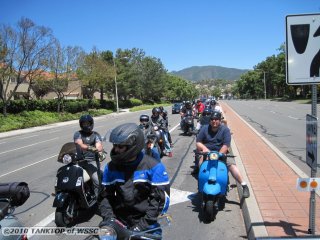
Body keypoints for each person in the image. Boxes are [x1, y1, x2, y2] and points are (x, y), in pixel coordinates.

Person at [99, 123, 170, 235]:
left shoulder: (154, 167)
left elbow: (160, 200)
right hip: (120, 221)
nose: (116, 150)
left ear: (133, 146)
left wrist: (141, 226)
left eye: (120, 146)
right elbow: (105, 196)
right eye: (114, 145)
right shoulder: (111, 167)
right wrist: (110, 218)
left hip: (147, 222)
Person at [195, 111, 250, 198]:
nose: (214, 121)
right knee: (201, 165)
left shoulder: (225, 130)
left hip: (221, 153)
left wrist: (219, 154)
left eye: (216, 119)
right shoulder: (204, 128)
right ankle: (200, 186)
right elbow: (198, 142)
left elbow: (226, 145)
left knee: (232, 166)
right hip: (207, 153)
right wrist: (204, 149)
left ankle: (244, 185)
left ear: (220, 120)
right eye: (212, 119)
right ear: (210, 120)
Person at [73, 114, 104, 198]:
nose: (86, 125)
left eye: (87, 123)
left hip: (92, 161)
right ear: (81, 124)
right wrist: (90, 148)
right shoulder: (78, 134)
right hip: (78, 160)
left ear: (91, 123)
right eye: (84, 124)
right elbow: (79, 144)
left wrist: (98, 150)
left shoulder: (96, 135)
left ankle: (99, 201)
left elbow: (99, 146)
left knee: (98, 181)